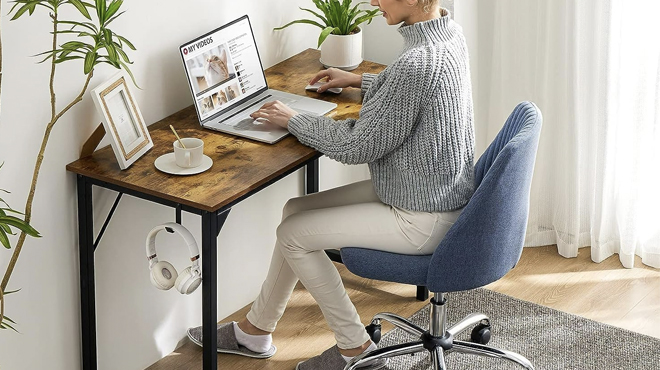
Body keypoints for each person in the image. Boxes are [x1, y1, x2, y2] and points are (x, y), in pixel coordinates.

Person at [188, 0, 474, 369]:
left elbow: (356, 146)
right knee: (295, 211)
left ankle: (354, 349)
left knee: (294, 233)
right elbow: (411, 90)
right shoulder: (448, 33)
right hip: (431, 191)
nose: (373, 2)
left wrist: (294, 119)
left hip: (422, 215)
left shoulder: (414, 65)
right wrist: (359, 80)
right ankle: (254, 331)